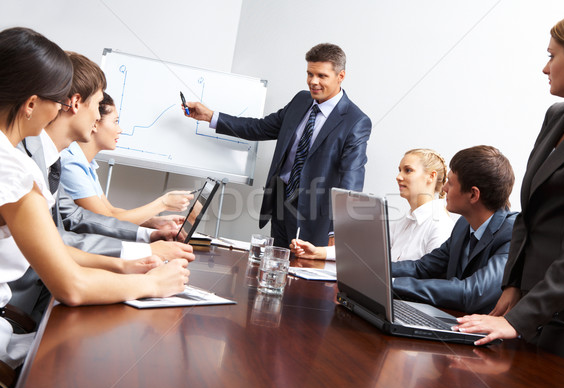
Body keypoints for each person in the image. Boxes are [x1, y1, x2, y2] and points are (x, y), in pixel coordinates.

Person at [0, 27, 189, 367]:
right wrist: (154, 284)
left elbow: (57, 245)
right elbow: (71, 287)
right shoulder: (14, 170)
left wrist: (124, 265)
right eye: (56, 101)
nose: (58, 110)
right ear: (31, 104)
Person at [455, 7, 564, 373]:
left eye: (552, 56)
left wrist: (518, 320)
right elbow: (529, 213)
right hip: (529, 302)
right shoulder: (556, 116)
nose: (545, 67)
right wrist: (513, 286)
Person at [184, 43, 372, 248]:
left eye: (321, 76)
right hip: (280, 203)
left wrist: (338, 230)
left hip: (314, 219)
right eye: (309, 74)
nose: (313, 81)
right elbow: (259, 128)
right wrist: (211, 116)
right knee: (276, 265)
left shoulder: (355, 121)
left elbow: (351, 181)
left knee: (305, 275)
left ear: (340, 76)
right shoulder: (301, 100)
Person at [391, 146, 516, 314]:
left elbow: (472, 292)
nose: (444, 188)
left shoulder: (512, 234)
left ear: (473, 194)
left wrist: (391, 284)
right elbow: (423, 267)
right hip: (454, 320)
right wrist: (375, 270)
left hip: (486, 336)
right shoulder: (463, 225)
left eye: (450, 182)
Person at [291, 149, 454, 261]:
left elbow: (430, 277)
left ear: (431, 177)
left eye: (408, 170)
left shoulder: (440, 226)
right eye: (399, 170)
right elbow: (363, 251)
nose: (398, 177)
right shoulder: (404, 222)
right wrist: (316, 252)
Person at [60, 91, 193, 225]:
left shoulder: (86, 163)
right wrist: (163, 203)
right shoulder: (71, 163)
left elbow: (111, 210)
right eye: (115, 122)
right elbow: (105, 219)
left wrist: (154, 222)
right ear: (95, 123)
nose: (120, 129)